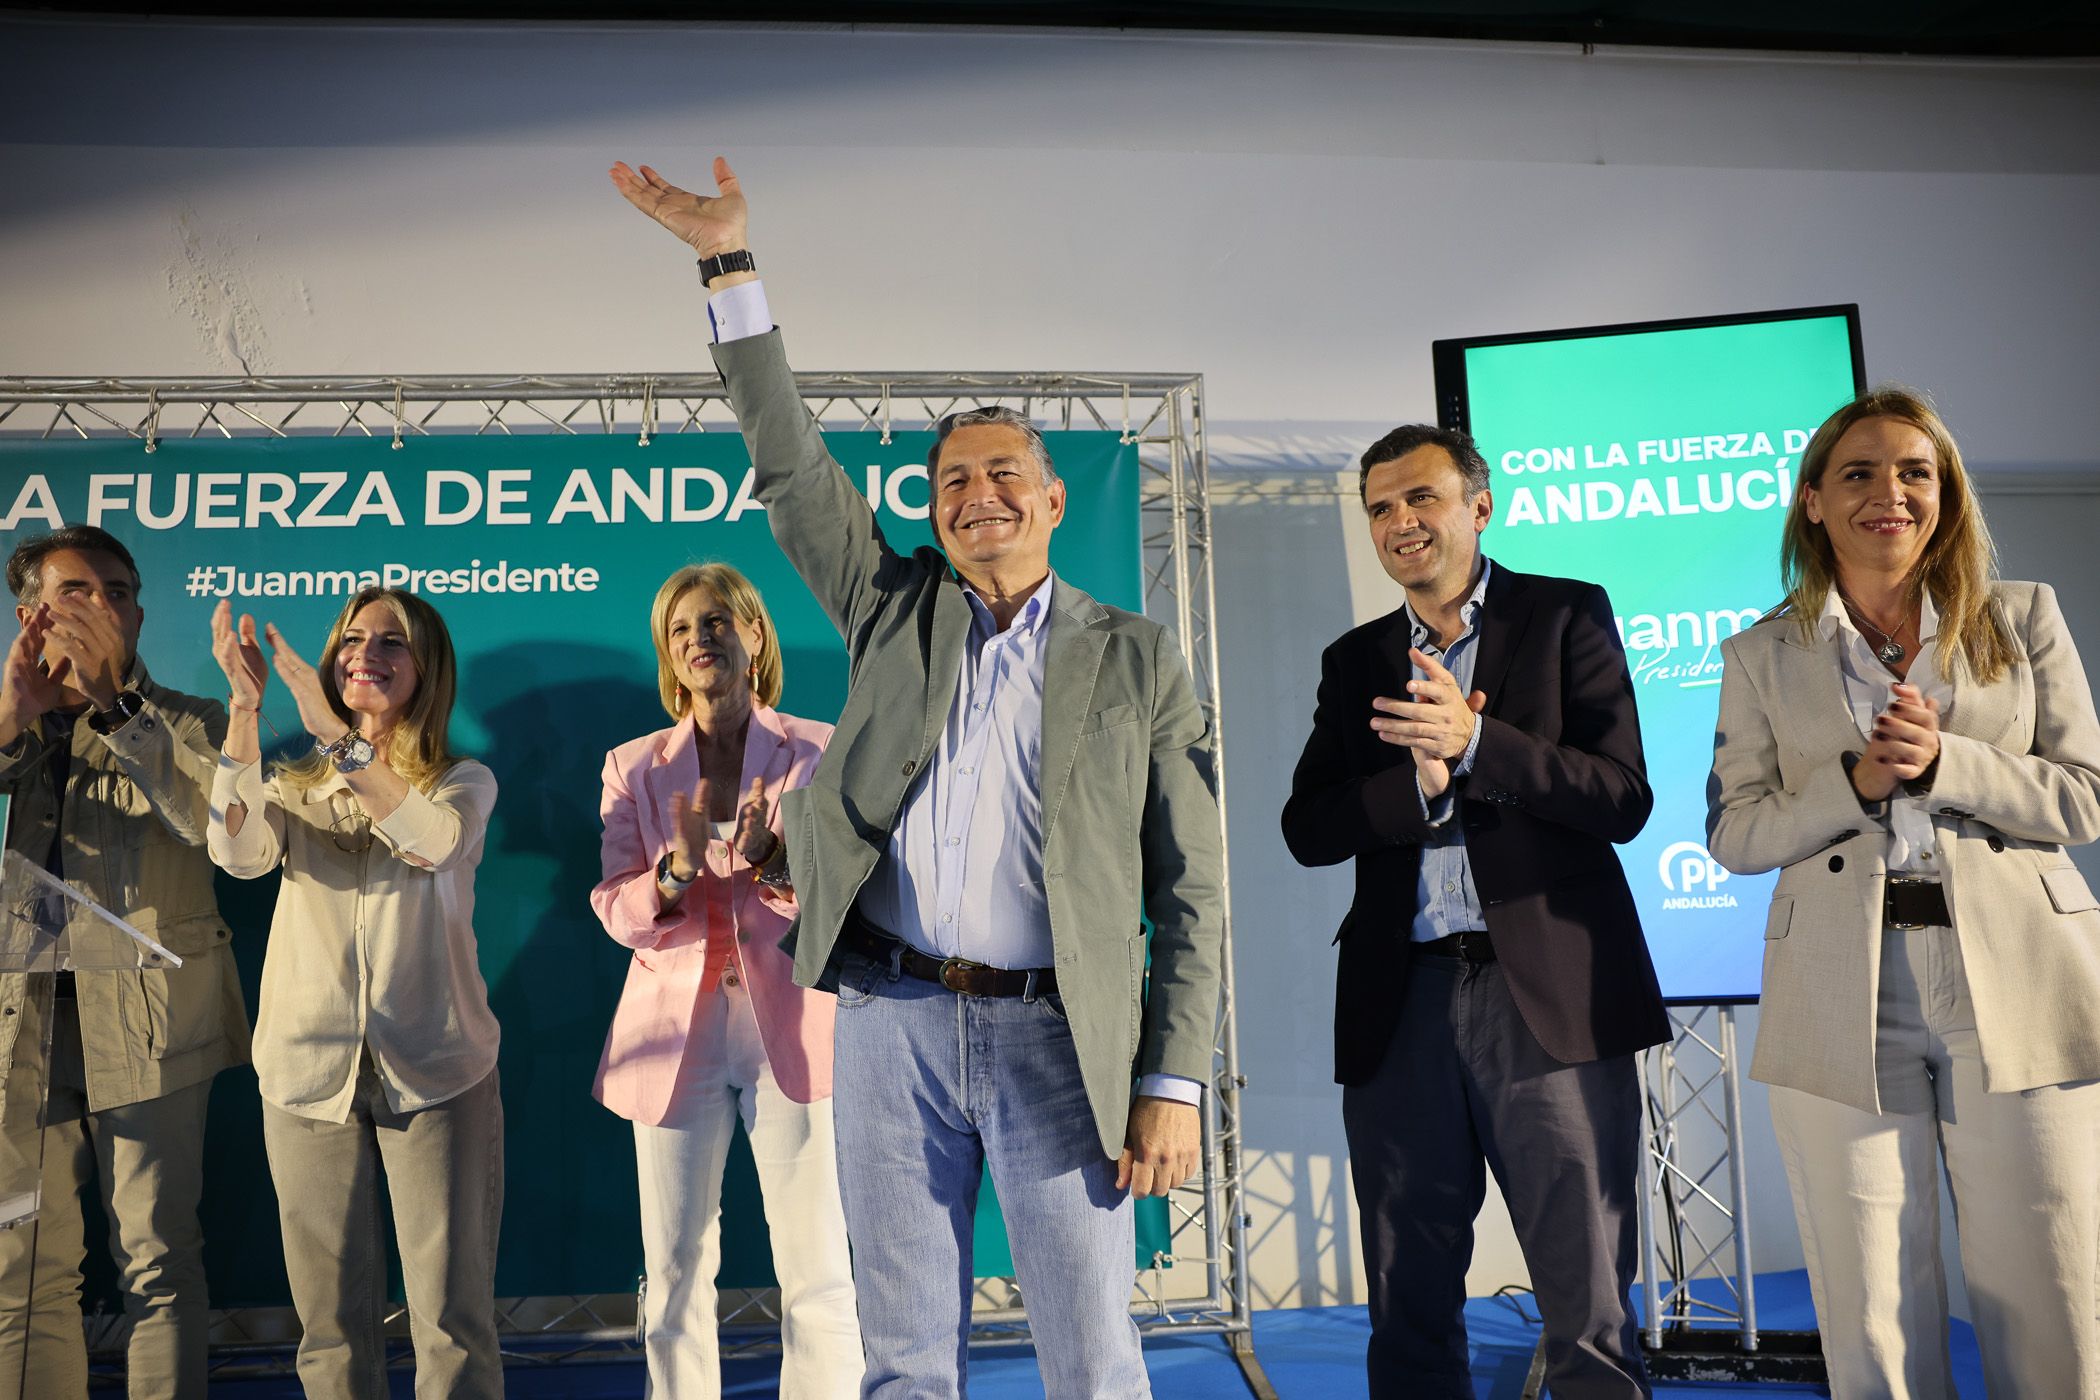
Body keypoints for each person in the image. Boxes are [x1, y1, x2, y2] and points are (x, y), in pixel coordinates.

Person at [610, 155, 1225, 1400]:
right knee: (900, 1359)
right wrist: (728, 264)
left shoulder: (1136, 654)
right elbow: (789, 464)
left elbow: (1196, 889)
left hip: (1062, 1032)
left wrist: (1170, 1079)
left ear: (1054, 498)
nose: (979, 494)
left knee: (1093, 1355)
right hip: (889, 1025)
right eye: (953, 481)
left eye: (1005, 475)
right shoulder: (891, 609)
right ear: (931, 513)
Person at [1706, 387, 2100, 1397]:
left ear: (1947, 493)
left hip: (2014, 973)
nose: (1892, 492)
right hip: (1843, 981)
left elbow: (2084, 795)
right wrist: (1857, 785)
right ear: (1812, 502)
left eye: (1916, 471)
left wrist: (1947, 765)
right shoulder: (1759, 652)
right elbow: (1735, 829)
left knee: (2050, 1279)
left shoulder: (2023, 618)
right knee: (1870, 1295)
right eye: (1861, 472)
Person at [1282, 425, 1667, 1399]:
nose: (1400, 521)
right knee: (1407, 1288)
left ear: (1478, 506)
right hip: (1401, 995)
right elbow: (1309, 824)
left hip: (1549, 995)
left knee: (1585, 1296)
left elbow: (1621, 795)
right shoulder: (1356, 657)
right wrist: (1411, 789)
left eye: (1421, 497)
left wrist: (1480, 741)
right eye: (1379, 506)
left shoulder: (1566, 616)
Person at [206, 588, 504, 1400]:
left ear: (426, 667)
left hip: (438, 1070)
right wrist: (244, 711)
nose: (365, 654)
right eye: (353, 639)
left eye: (391, 643)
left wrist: (339, 737)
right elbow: (235, 854)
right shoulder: (293, 784)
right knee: (330, 1325)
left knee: (450, 1320)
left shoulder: (460, 782)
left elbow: (431, 845)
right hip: (307, 1076)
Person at [591, 562, 861, 1399]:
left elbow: (853, 892)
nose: (699, 641)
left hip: (798, 1030)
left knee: (816, 1266)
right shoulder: (634, 766)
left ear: (753, 634)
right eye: (681, 631)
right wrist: (671, 875)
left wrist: (776, 861)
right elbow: (614, 907)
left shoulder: (818, 749)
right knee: (674, 1270)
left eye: (715, 623)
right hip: (671, 1039)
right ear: (669, 660)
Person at [0, 525, 250, 1400]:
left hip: (150, 1032)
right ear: (32, 612)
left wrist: (116, 709)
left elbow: (211, 827)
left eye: (120, 591)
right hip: (23, 1028)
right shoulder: (13, 725)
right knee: (24, 1270)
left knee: (158, 1263)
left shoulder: (194, 719)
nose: (104, 606)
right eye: (79, 591)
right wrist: (11, 719)